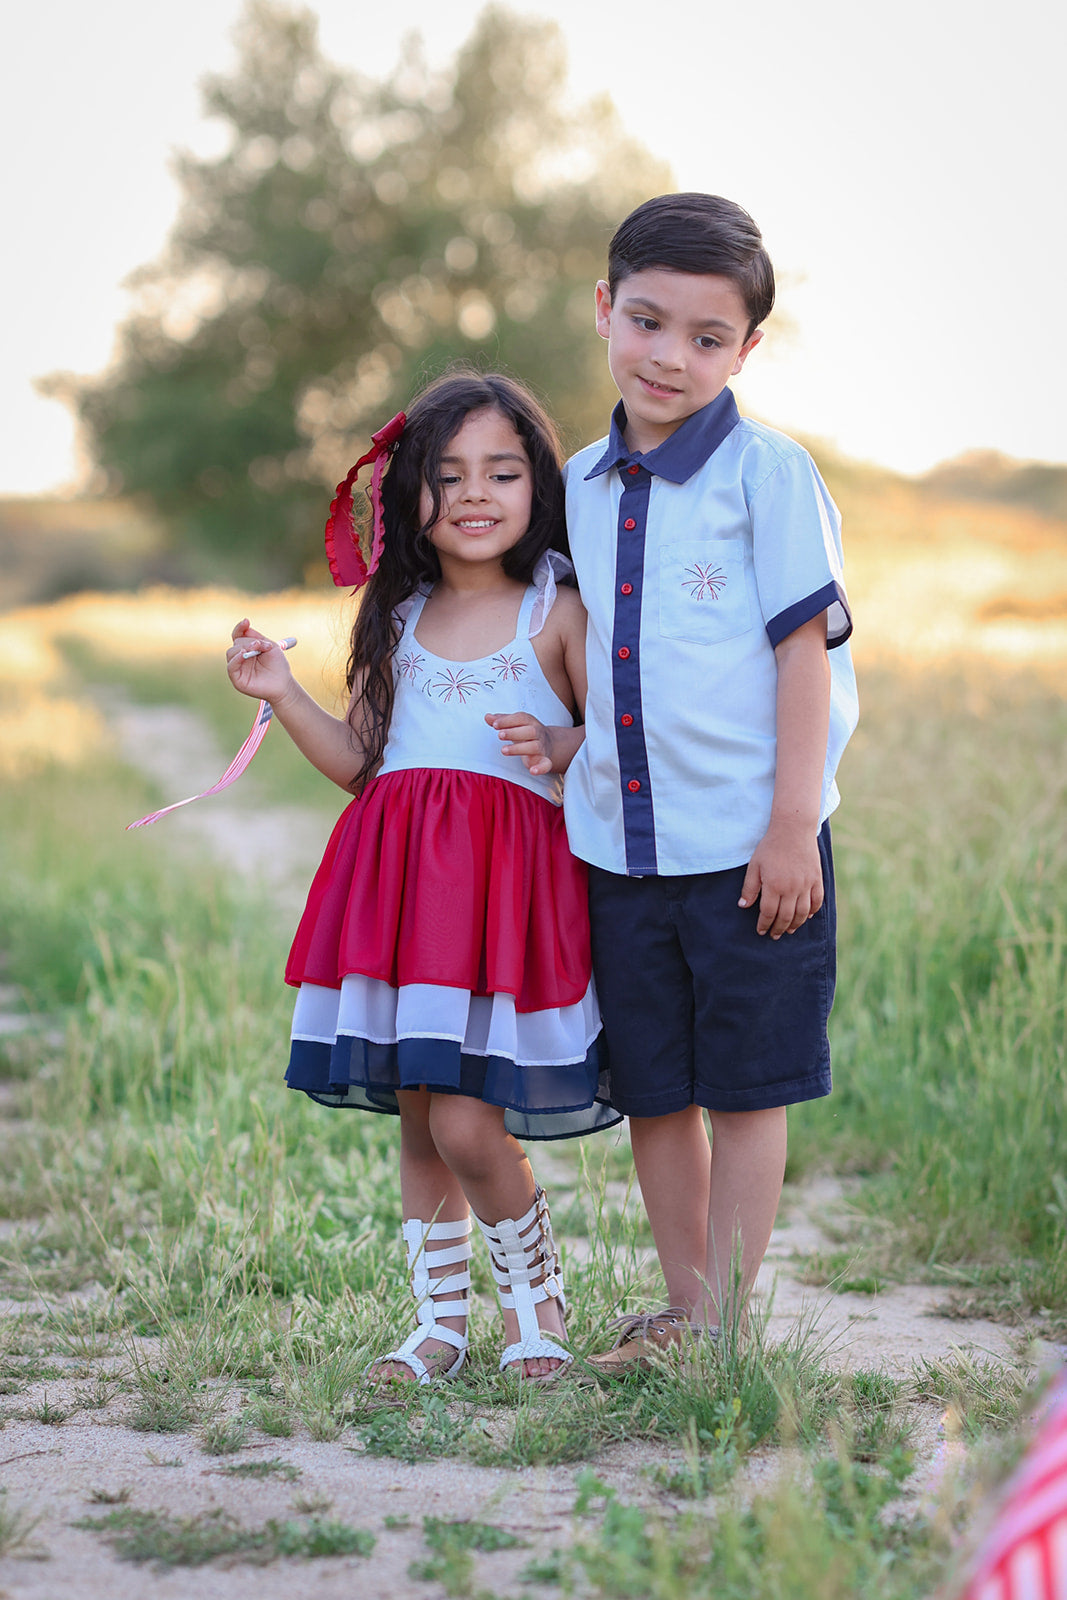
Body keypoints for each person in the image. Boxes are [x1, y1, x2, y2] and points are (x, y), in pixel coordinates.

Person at [226, 371, 617, 1384]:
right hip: (403, 898)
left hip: (502, 904)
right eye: (446, 476)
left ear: (538, 485)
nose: (475, 494)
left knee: (464, 1119)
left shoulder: (558, 610)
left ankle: (538, 1302)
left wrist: (565, 739)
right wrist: (280, 693)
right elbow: (362, 761)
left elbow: (619, 741)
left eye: (501, 470)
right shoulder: (392, 615)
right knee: (418, 1119)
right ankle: (439, 1322)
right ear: (409, 496)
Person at [550, 192, 859, 1368]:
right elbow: (586, 654)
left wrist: (789, 827)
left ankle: (722, 1326)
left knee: (744, 1088)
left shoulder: (766, 477)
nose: (668, 356)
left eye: (705, 336)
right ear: (602, 313)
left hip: (749, 849)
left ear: (746, 349)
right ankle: (680, 1308)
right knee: (655, 1089)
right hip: (620, 850)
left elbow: (800, 658)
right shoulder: (576, 482)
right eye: (645, 321)